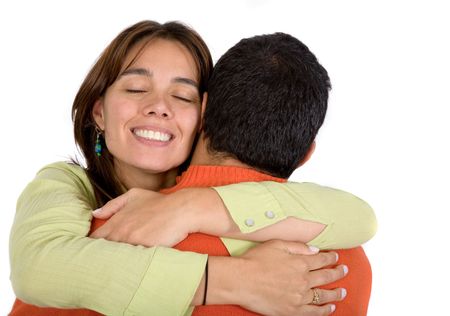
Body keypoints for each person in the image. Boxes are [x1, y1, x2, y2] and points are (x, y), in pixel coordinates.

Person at [8, 21, 376, 316]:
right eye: (136, 88)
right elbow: (38, 267)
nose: (158, 106)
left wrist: (193, 207)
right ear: (99, 111)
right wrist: (237, 279)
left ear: (205, 114)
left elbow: (361, 217)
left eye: (181, 95)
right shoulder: (79, 223)